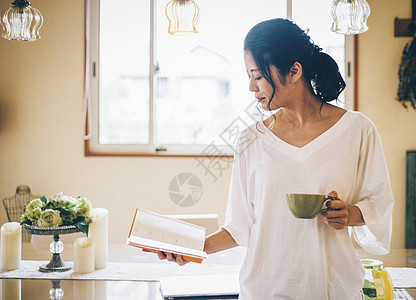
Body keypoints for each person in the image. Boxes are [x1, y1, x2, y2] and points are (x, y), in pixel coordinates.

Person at [156, 18, 394, 300]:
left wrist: (348, 214)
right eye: (249, 76)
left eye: (257, 76)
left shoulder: (357, 130)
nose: (251, 87)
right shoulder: (250, 139)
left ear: (294, 71)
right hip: (264, 291)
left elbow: (378, 205)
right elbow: (240, 225)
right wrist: (195, 247)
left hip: (333, 290)